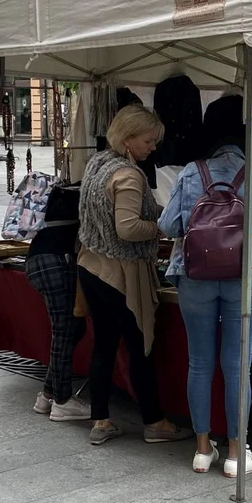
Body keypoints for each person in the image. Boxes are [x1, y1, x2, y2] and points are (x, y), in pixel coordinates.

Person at [159, 95, 252, 477]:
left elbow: (169, 226)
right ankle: (236, 454)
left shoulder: (191, 173)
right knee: (236, 365)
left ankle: (201, 450)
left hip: (195, 274)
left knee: (200, 362)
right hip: (244, 276)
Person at [77, 105, 191, 446]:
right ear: (128, 139)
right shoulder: (128, 175)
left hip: (92, 266)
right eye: (148, 140)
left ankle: (100, 420)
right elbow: (127, 228)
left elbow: (125, 212)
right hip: (121, 275)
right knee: (141, 347)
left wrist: (163, 212)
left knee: (104, 347)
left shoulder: (97, 164)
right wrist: (164, 227)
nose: (153, 147)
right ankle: (155, 422)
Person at [27, 183, 90, 421]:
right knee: (64, 330)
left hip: (39, 260)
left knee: (73, 328)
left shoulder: (62, 191)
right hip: (55, 262)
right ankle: (62, 401)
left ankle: (47, 394)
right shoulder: (78, 195)